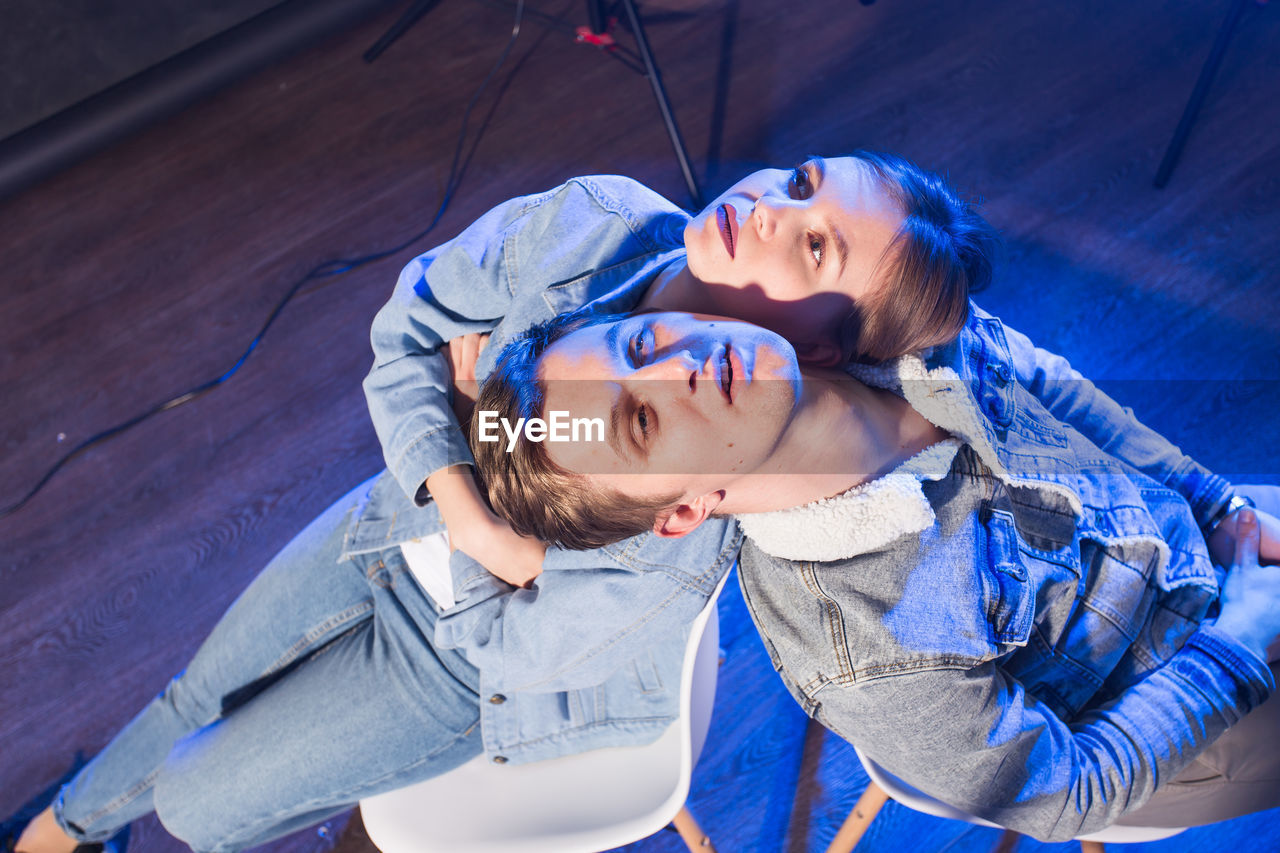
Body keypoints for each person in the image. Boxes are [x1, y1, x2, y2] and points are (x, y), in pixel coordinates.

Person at [17, 152, 995, 853]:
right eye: (799, 181)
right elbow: (407, 330)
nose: (764, 209)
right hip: (404, 524)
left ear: (817, 351)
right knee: (197, 689)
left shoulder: (723, 484)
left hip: (465, 666)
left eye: (816, 249)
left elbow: (520, 646)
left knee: (196, 804)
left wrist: (470, 415)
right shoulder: (597, 220)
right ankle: (63, 828)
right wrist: (471, 491)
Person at [470, 307, 1280, 841]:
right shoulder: (863, 644)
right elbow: (1064, 792)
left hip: (1215, 538)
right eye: (641, 419)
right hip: (1209, 703)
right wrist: (1238, 645)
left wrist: (1219, 503)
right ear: (684, 511)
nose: (678, 365)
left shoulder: (875, 317)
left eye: (641, 344)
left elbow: (1050, 385)